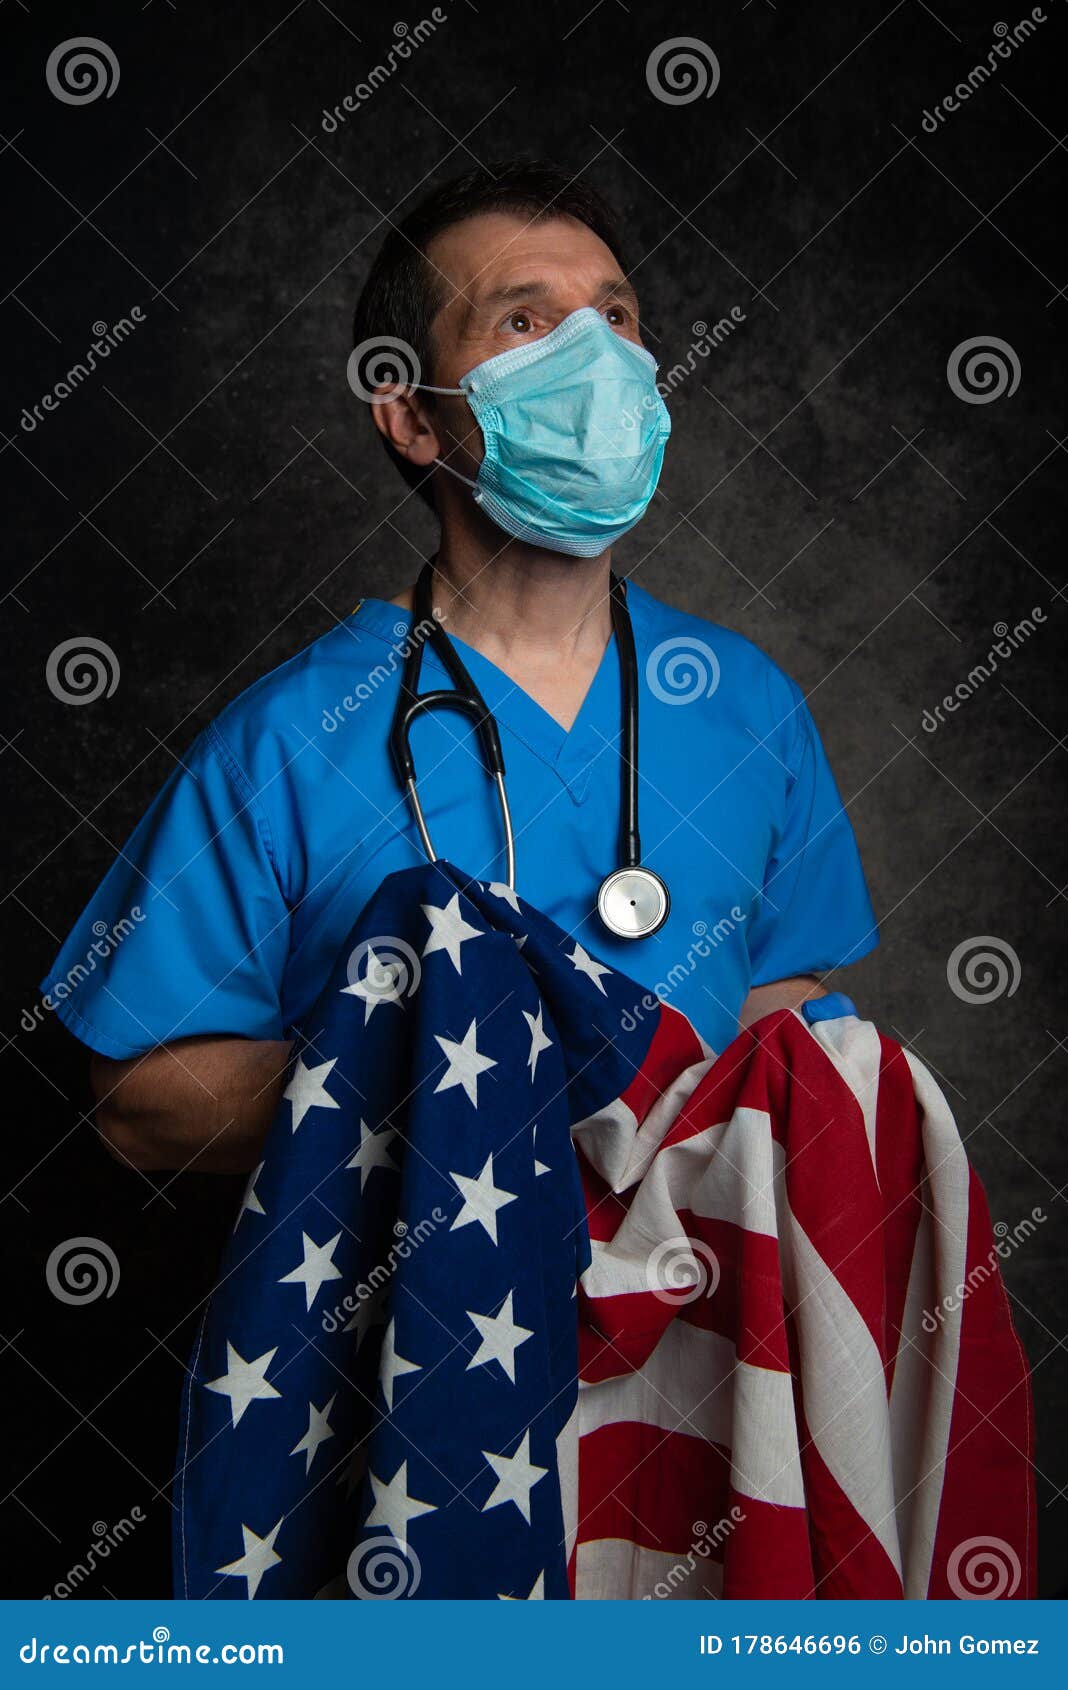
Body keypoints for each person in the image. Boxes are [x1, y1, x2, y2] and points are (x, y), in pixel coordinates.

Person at [40, 160, 878, 1175]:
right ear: (414, 415)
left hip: (698, 1314)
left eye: (614, 317)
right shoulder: (290, 740)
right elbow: (142, 1098)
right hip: (428, 1313)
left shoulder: (746, 702)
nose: (594, 356)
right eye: (524, 323)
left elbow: (775, 1000)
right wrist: (428, 1099)